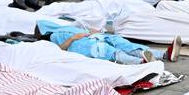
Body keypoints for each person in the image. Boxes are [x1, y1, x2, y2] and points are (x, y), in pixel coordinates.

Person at [35, 20, 168, 64]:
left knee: (121, 42)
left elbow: (86, 30)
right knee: (108, 51)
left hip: (93, 38)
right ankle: (141, 61)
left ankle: (161, 54)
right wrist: (72, 39)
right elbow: (60, 50)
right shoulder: (53, 36)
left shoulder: (65, 27)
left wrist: (95, 32)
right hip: (83, 45)